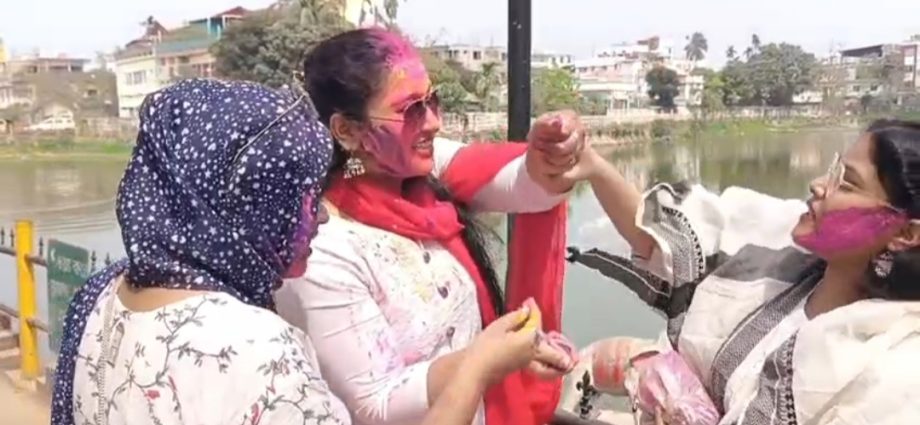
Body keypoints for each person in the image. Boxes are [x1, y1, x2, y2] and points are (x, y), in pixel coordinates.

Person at [49, 79, 566, 425]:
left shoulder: (101, 295)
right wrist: (476, 370)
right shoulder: (257, 348)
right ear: (240, 208)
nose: (318, 216)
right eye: (297, 200)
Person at [274, 28, 579, 425]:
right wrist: (487, 360)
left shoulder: (419, 174)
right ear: (347, 130)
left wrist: (555, 143)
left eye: (432, 101)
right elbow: (375, 403)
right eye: (411, 110)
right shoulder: (321, 248)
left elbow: (532, 185)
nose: (434, 122)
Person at [563, 119, 920, 424]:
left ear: (905, 234)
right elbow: (658, 238)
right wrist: (593, 166)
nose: (818, 184)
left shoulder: (893, 369)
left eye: (847, 183)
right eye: (834, 170)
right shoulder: (781, 257)